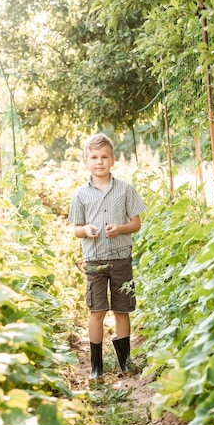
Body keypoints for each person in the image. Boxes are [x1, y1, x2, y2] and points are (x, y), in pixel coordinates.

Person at [68, 132, 146, 384]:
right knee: (97, 310)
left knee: (122, 310)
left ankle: (124, 362)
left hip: (121, 258)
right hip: (94, 261)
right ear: (85, 161)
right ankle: (96, 367)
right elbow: (76, 229)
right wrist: (86, 231)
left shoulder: (125, 189)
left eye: (104, 157)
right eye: (93, 157)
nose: (99, 162)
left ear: (112, 160)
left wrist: (120, 228)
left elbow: (136, 223)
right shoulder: (80, 194)